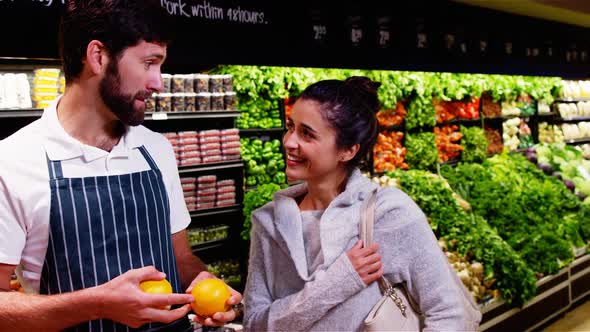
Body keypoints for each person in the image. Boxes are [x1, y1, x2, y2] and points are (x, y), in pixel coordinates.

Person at [0, 1, 241, 330]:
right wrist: (98, 304)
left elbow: (181, 259)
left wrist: (204, 284)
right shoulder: (14, 160)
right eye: (149, 62)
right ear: (98, 56)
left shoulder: (155, 149)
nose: (158, 82)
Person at [243, 76, 482, 331]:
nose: (289, 142)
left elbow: (449, 314)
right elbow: (254, 323)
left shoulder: (387, 213)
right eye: (291, 127)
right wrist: (337, 282)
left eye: (307, 134)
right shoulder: (268, 222)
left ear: (348, 150)